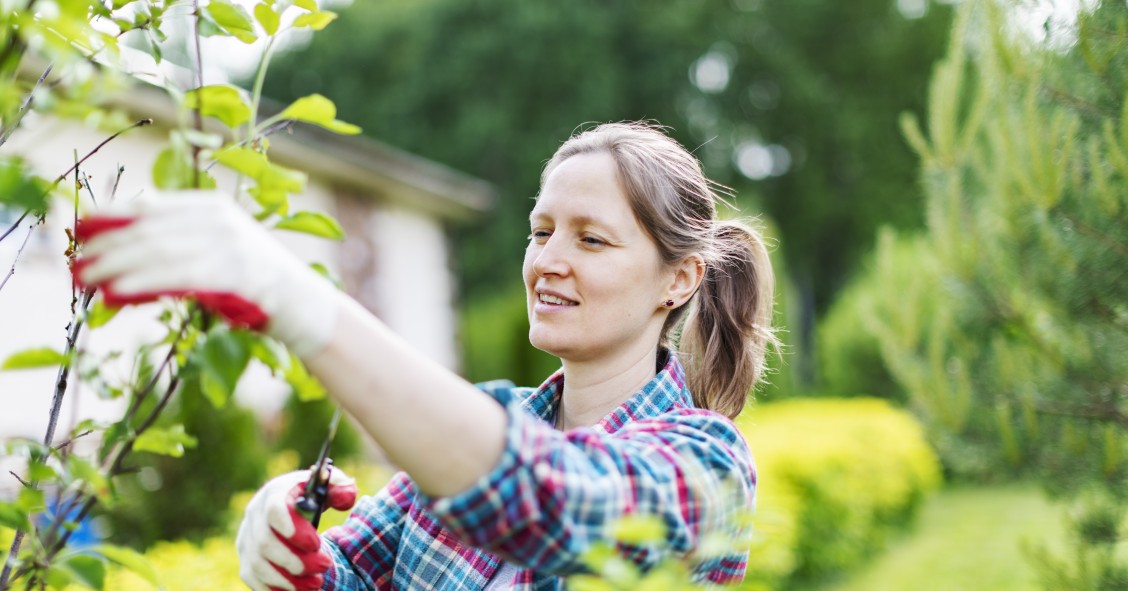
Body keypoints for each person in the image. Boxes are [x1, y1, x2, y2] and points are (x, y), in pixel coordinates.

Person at [75, 121, 777, 590]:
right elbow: (348, 574)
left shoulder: (706, 463)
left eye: (591, 239)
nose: (547, 261)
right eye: (541, 230)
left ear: (679, 279)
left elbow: (547, 499)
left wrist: (296, 296)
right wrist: (289, 550)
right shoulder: (457, 441)